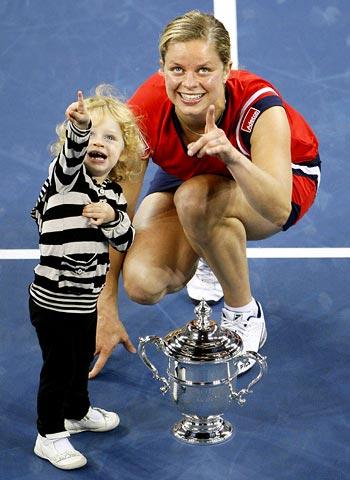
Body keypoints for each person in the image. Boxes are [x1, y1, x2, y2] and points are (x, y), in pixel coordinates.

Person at [90, 10, 320, 379]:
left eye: (204, 69)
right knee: (143, 284)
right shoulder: (145, 110)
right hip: (187, 173)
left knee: (196, 199)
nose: (189, 83)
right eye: (177, 69)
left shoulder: (259, 108)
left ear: (228, 69)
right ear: (161, 68)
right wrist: (106, 306)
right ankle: (211, 245)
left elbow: (278, 209)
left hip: (277, 176)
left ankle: (243, 312)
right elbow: (118, 209)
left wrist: (230, 155)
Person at [29, 86, 144, 470]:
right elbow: (72, 155)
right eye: (90, 134)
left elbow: (126, 237)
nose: (98, 142)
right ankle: (49, 435)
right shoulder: (64, 179)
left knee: (79, 360)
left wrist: (112, 218)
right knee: (58, 367)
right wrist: (79, 130)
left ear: (122, 152)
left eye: (110, 137)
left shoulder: (112, 193)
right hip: (53, 300)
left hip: (84, 300)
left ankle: (76, 412)